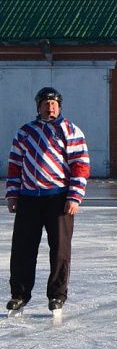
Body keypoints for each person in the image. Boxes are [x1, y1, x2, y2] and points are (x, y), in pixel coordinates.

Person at [5, 87, 90, 315]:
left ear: (59, 106)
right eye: (45, 103)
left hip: (58, 199)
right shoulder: (25, 132)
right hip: (29, 199)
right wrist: (13, 194)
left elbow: (80, 165)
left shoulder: (70, 131)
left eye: (53, 103)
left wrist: (75, 197)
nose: (49, 106)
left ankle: (56, 296)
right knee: (23, 249)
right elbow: (15, 164)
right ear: (38, 106)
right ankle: (19, 295)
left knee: (60, 250)